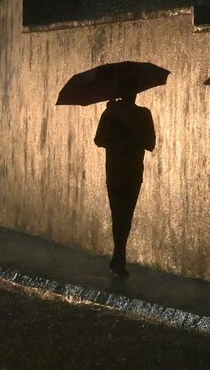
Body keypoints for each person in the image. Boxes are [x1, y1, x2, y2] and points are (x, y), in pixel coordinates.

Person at [94, 84, 155, 278]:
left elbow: (150, 143)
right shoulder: (119, 114)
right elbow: (99, 140)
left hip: (124, 170)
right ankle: (119, 255)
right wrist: (112, 117)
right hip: (125, 170)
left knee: (121, 214)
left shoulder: (142, 114)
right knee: (123, 213)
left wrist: (119, 118)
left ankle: (119, 255)